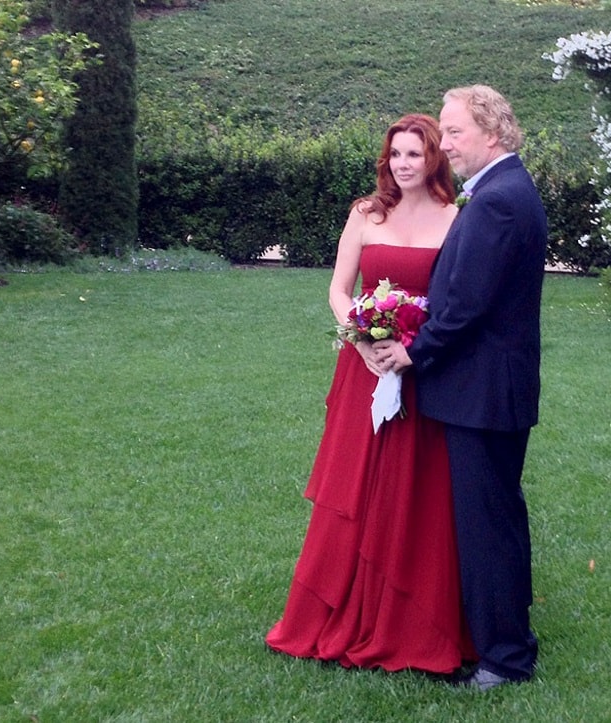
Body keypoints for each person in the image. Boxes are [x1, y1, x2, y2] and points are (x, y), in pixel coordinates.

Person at [266, 114, 475, 674]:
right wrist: (360, 338)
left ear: (435, 159)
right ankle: (338, 605)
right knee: (356, 483)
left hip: (422, 368)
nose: (404, 164)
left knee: (417, 487)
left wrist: (412, 347)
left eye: (415, 154)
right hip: (364, 367)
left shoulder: (456, 219)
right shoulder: (365, 213)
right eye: (396, 154)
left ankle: (410, 618)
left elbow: (455, 303)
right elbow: (339, 289)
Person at [377, 85, 548, 691]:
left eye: (453, 132)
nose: (444, 144)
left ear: (492, 133)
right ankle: (507, 641)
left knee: (487, 527)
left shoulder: (498, 200)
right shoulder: (507, 189)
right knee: (497, 519)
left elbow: (464, 305)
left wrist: (412, 352)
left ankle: (505, 658)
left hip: (483, 394)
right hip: (493, 390)